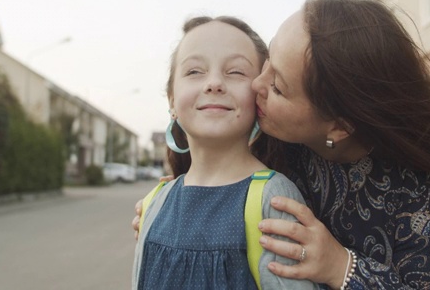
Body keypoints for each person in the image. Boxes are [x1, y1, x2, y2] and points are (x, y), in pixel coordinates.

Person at [134, 0, 430, 289]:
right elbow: (213, 166)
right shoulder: (266, 136)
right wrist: (177, 208)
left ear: (338, 126)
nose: (255, 85)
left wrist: (342, 267)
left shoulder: (417, 186)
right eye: (267, 63)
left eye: (278, 87)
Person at [132, 15, 319, 290]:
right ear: (172, 99)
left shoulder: (273, 198)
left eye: (235, 72)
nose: (214, 83)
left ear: (259, 95)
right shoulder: (154, 203)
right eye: (195, 71)